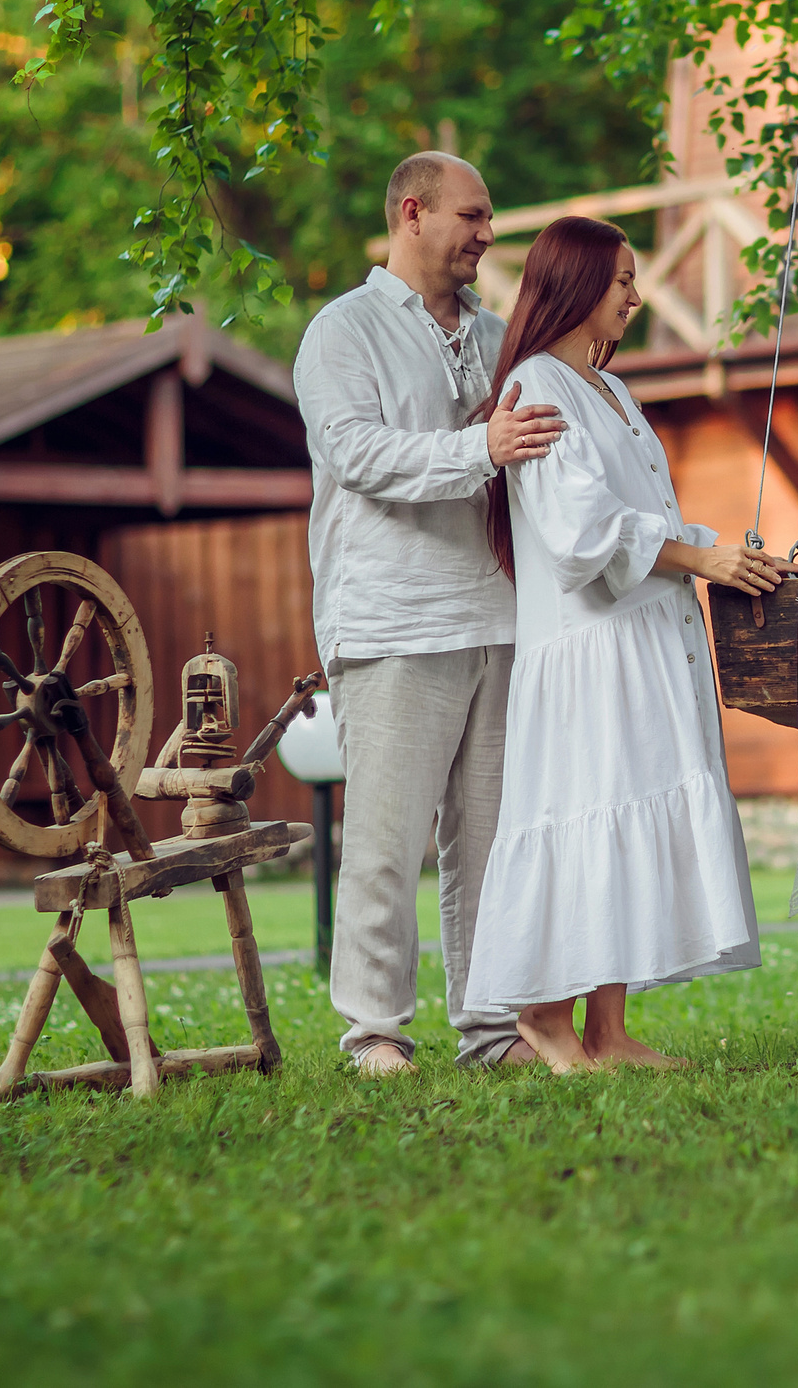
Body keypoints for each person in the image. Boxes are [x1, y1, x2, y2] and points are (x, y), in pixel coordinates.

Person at [462, 216, 790, 1073]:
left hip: (642, 637)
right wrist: (701, 559)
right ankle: (545, 1015)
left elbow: (644, 518)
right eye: (622, 281)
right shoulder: (536, 384)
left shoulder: (608, 387)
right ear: (576, 285)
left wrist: (726, 555)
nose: (637, 297)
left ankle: (606, 1031)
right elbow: (580, 533)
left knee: (624, 807)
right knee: (586, 810)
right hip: (589, 646)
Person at [293, 151, 565, 1076]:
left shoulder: (500, 338)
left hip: (502, 617)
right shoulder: (343, 331)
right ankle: (375, 1031)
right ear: (412, 213)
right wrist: (481, 447)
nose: (487, 234)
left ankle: (491, 1030)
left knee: (490, 844)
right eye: (472, 216)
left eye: (488, 217)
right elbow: (358, 455)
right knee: (386, 842)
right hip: (392, 618)